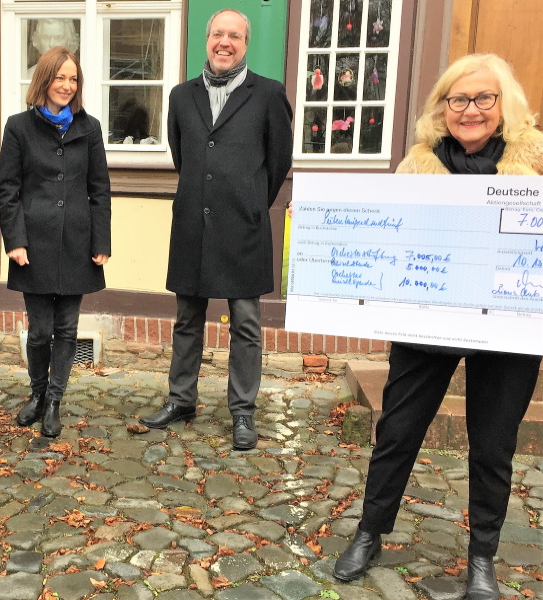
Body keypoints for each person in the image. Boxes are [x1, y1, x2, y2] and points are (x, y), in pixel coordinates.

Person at [332, 53, 543, 600]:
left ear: (504, 105)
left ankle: (482, 560)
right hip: (427, 323)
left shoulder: (535, 166)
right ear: (442, 106)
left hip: (509, 331)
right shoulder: (416, 168)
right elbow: (387, 243)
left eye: (483, 98)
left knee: (493, 448)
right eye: (458, 99)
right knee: (397, 432)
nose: (470, 110)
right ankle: (370, 533)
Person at [138, 8, 293, 450]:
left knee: (245, 324)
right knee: (187, 319)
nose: (225, 42)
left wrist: (248, 201)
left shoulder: (268, 94)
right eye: (218, 35)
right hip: (192, 224)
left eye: (234, 36)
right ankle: (181, 399)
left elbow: (278, 162)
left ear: (246, 44)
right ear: (207, 40)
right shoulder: (180, 96)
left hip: (244, 227)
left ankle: (242, 411)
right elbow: (183, 157)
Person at [0, 46, 111, 438]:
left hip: (78, 242)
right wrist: (15, 240)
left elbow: (100, 189)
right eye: (60, 77)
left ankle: (54, 403)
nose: (67, 85)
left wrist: (101, 241)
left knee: (67, 328)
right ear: (44, 80)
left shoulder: (89, 127)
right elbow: (8, 190)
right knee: (40, 330)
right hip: (33, 244)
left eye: (73, 78)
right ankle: (37, 393)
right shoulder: (18, 127)